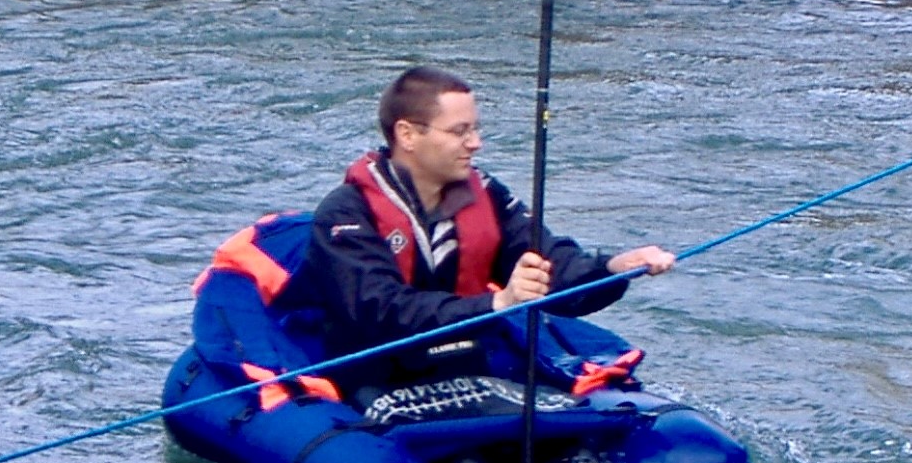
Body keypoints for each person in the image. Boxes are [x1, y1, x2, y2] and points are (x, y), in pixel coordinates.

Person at [285, 65, 674, 392]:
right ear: (408, 135)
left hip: (463, 360)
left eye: (475, 129)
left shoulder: (486, 195)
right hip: (374, 372)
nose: (476, 143)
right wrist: (498, 303)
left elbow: (548, 262)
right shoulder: (346, 213)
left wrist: (612, 269)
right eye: (460, 131)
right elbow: (381, 311)